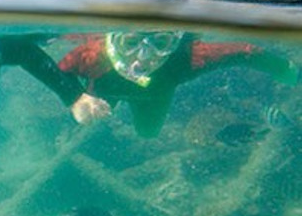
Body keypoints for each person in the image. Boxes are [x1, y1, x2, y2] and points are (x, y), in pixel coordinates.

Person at [57, 30, 300, 138]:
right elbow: (59, 72)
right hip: (102, 94)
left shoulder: (186, 59)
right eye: (130, 42)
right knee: (82, 120)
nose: (142, 57)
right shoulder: (92, 54)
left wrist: (294, 75)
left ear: (174, 42)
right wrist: (77, 97)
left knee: (147, 133)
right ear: (113, 38)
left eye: (160, 43)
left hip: (151, 98)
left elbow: (245, 52)